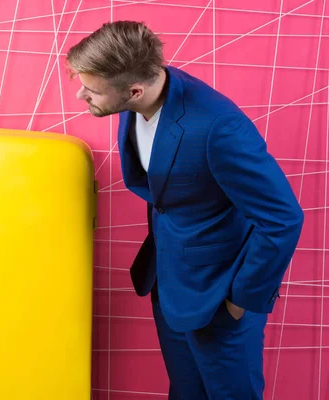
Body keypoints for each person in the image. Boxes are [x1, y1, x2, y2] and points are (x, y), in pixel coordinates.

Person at [66, 21, 304, 399]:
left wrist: (240, 300)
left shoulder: (217, 127)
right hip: (170, 285)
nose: (81, 95)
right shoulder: (136, 99)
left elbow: (283, 219)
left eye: (91, 89)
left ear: (134, 90)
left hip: (220, 298)